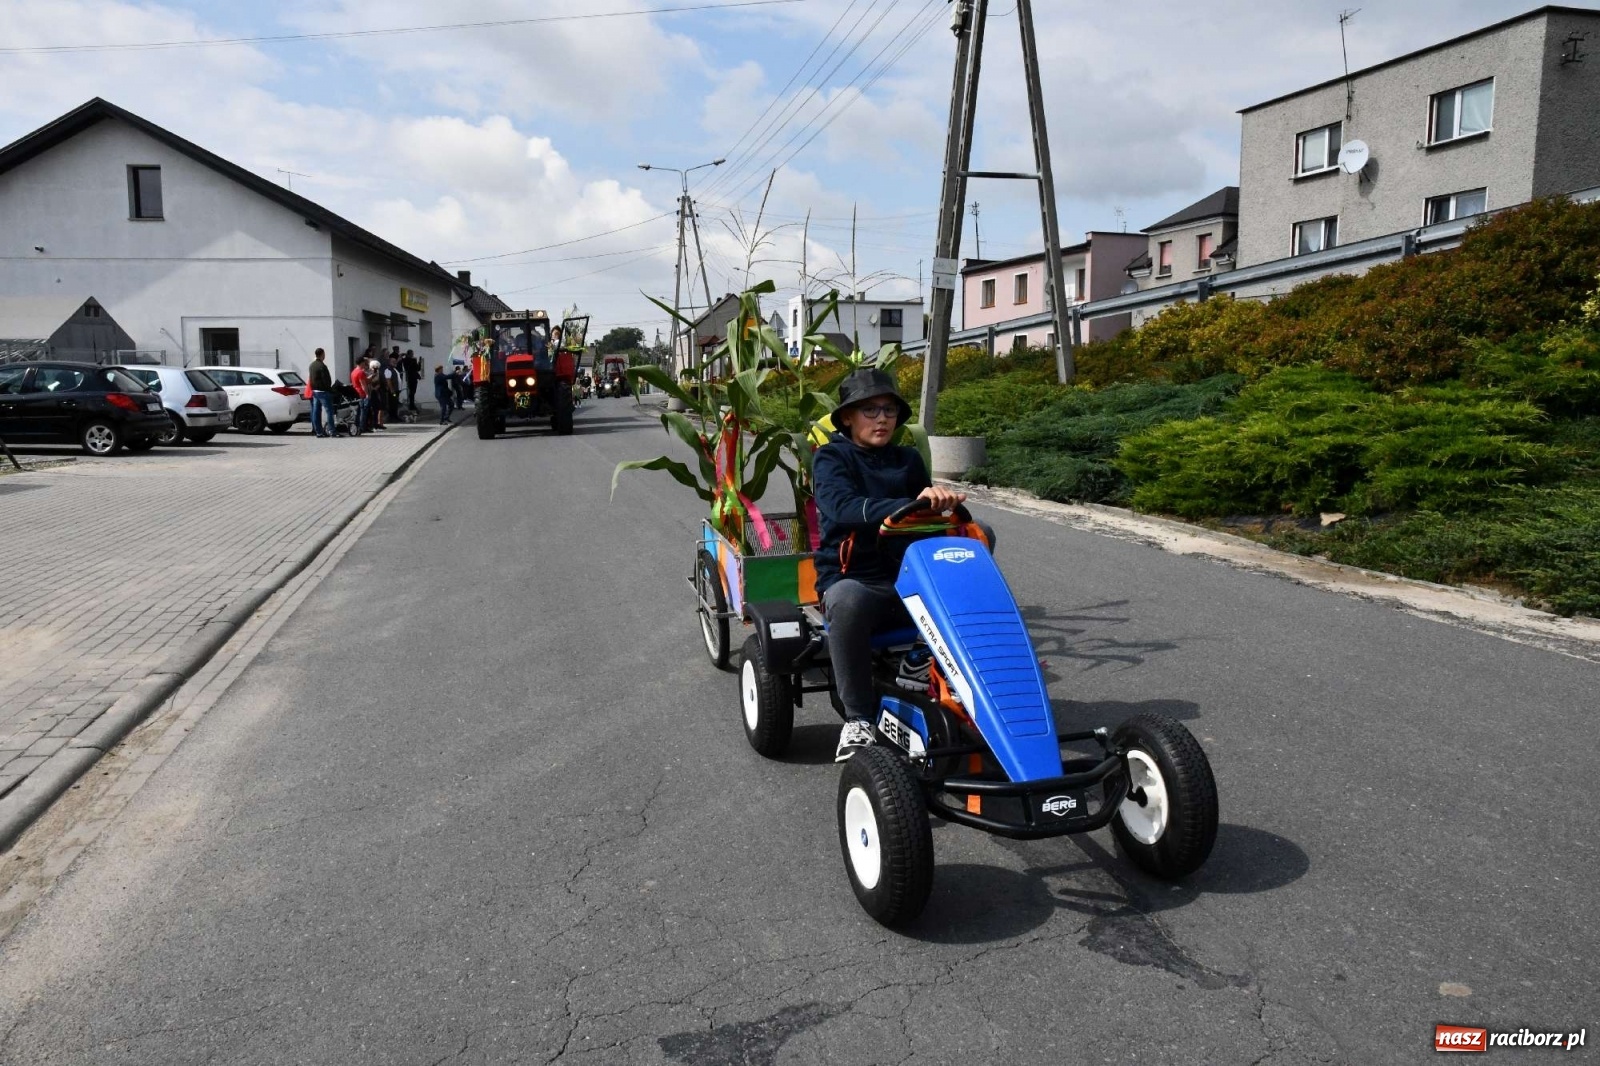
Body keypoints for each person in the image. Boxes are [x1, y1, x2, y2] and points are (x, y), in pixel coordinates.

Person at [813, 367, 965, 763]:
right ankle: (859, 719)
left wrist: (943, 504)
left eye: (889, 410)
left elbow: (928, 515)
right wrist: (910, 505)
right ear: (847, 417)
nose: (881, 418)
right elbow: (842, 508)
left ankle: (924, 659)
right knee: (843, 599)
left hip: (909, 577)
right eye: (869, 410)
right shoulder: (832, 457)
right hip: (856, 579)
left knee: (978, 539)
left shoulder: (908, 459)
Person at [308, 348, 335, 438]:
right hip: (323, 391)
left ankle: (318, 431)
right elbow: (326, 380)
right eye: (324, 354)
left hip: (315, 391)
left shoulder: (312, 365)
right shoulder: (322, 366)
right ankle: (332, 431)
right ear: (322, 354)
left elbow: (311, 378)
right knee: (329, 411)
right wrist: (329, 389)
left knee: (316, 412)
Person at [349, 356, 370, 436]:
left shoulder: (353, 371)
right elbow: (363, 384)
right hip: (361, 393)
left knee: (358, 412)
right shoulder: (360, 372)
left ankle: (357, 427)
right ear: (362, 363)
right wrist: (367, 394)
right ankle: (361, 428)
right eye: (364, 363)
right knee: (363, 411)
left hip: (356, 393)